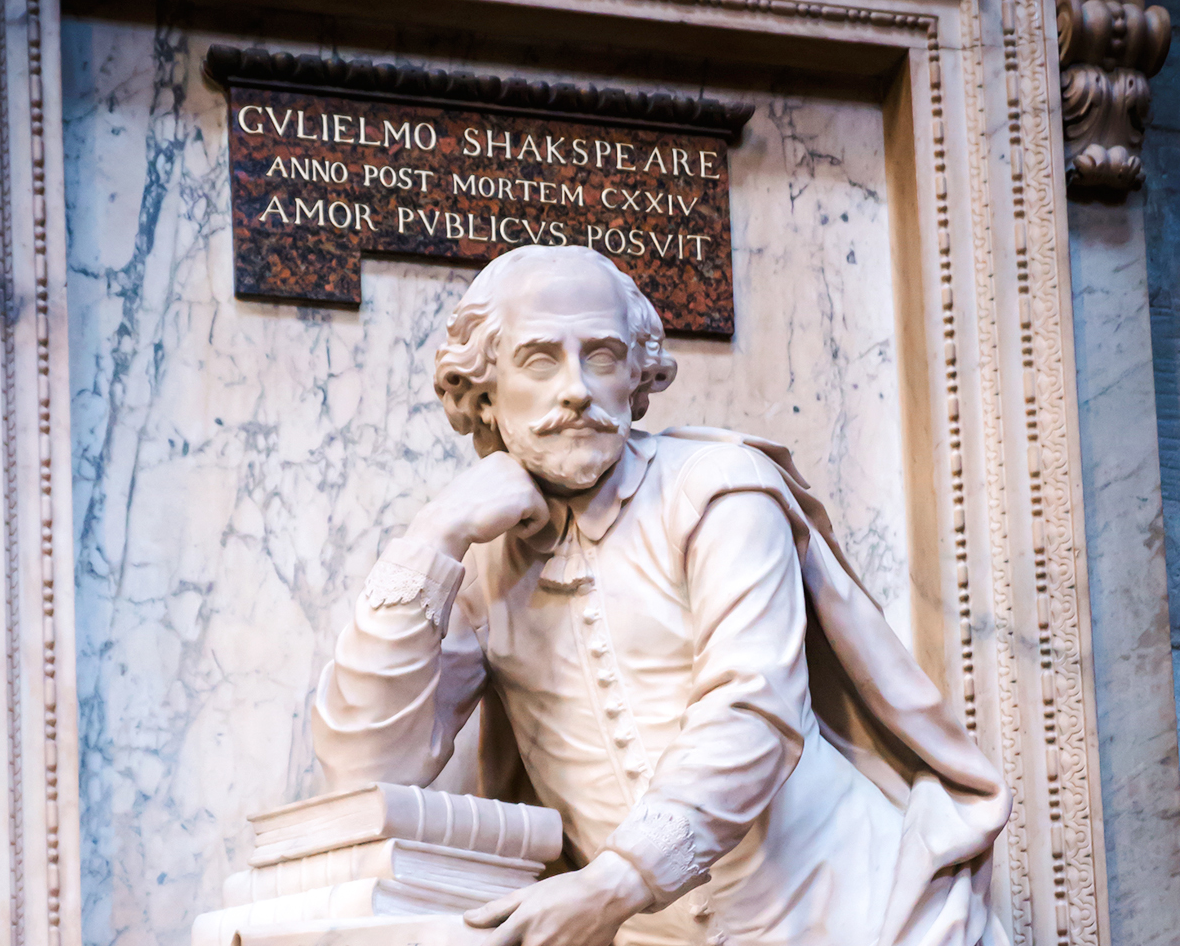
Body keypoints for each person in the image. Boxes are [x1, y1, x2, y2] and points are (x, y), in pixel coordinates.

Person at [311, 245, 1010, 946]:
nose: (576, 388)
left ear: (637, 375)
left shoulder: (719, 490)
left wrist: (614, 884)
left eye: (602, 356)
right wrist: (433, 537)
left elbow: (755, 708)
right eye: (540, 360)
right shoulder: (479, 560)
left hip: (859, 914)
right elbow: (365, 771)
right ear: (484, 392)